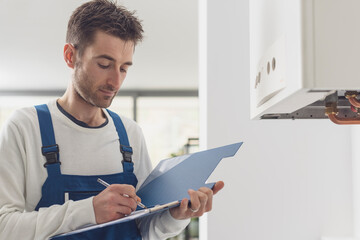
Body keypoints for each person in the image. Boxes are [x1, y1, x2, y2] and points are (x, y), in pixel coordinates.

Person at [0, 0, 224, 239]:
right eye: (104, 64)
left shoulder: (129, 133)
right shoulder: (25, 127)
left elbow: (144, 227)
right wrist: (89, 211)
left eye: (124, 68)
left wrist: (176, 216)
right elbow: (4, 227)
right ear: (70, 56)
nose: (115, 82)